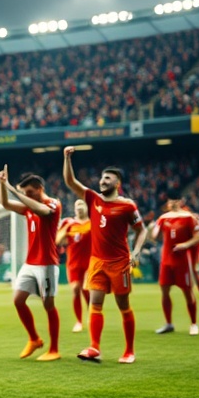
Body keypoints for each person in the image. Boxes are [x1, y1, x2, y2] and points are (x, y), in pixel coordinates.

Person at [62, 147, 148, 364]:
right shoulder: (92, 199)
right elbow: (70, 181)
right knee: (95, 303)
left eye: (108, 178)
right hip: (97, 262)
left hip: (119, 263)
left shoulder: (127, 206)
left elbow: (142, 230)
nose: (102, 181)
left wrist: (136, 252)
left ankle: (129, 351)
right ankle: (94, 347)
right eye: (102, 178)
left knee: (123, 305)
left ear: (117, 183)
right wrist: (67, 158)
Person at [0, 166, 62, 361]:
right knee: (18, 300)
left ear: (39, 188)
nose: (26, 196)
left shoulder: (53, 204)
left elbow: (41, 210)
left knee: (48, 304)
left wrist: (14, 190)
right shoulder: (28, 207)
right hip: (30, 262)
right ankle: (34, 339)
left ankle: (54, 349)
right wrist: (3, 185)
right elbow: (5, 204)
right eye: (24, 193)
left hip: (47, 263)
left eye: (29, 192)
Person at [151, 200, 199, 335]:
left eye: (175, 200)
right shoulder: (163, 218)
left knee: (187, 292)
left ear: (180, 201)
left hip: (182, 261)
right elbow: (155, 236)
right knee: (164, 291)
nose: (172, 203)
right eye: (170, 201)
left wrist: (186, 244)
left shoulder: (189, 217)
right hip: (166, 260)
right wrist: (153, 230)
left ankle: (193, 324)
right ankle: (169, 324)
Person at [55, 199, 92, 333]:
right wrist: (65, 230)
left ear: (87, 207)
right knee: (76, 289)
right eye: (77, 205)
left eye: (82, 204)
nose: (79, 207)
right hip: (73, 263)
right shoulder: (68, 223)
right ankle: (79, 321)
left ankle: (92, 316)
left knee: (86, 289)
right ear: (74, 209)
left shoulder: (92, 223)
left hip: (90, 262)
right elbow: (57, 241)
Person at [182, 203, 199, 300]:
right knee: (189, 271)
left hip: (195, 248)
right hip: (187, 247)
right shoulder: (184, 219)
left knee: (194, 271)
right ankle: (192, 293)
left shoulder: (194, 217)